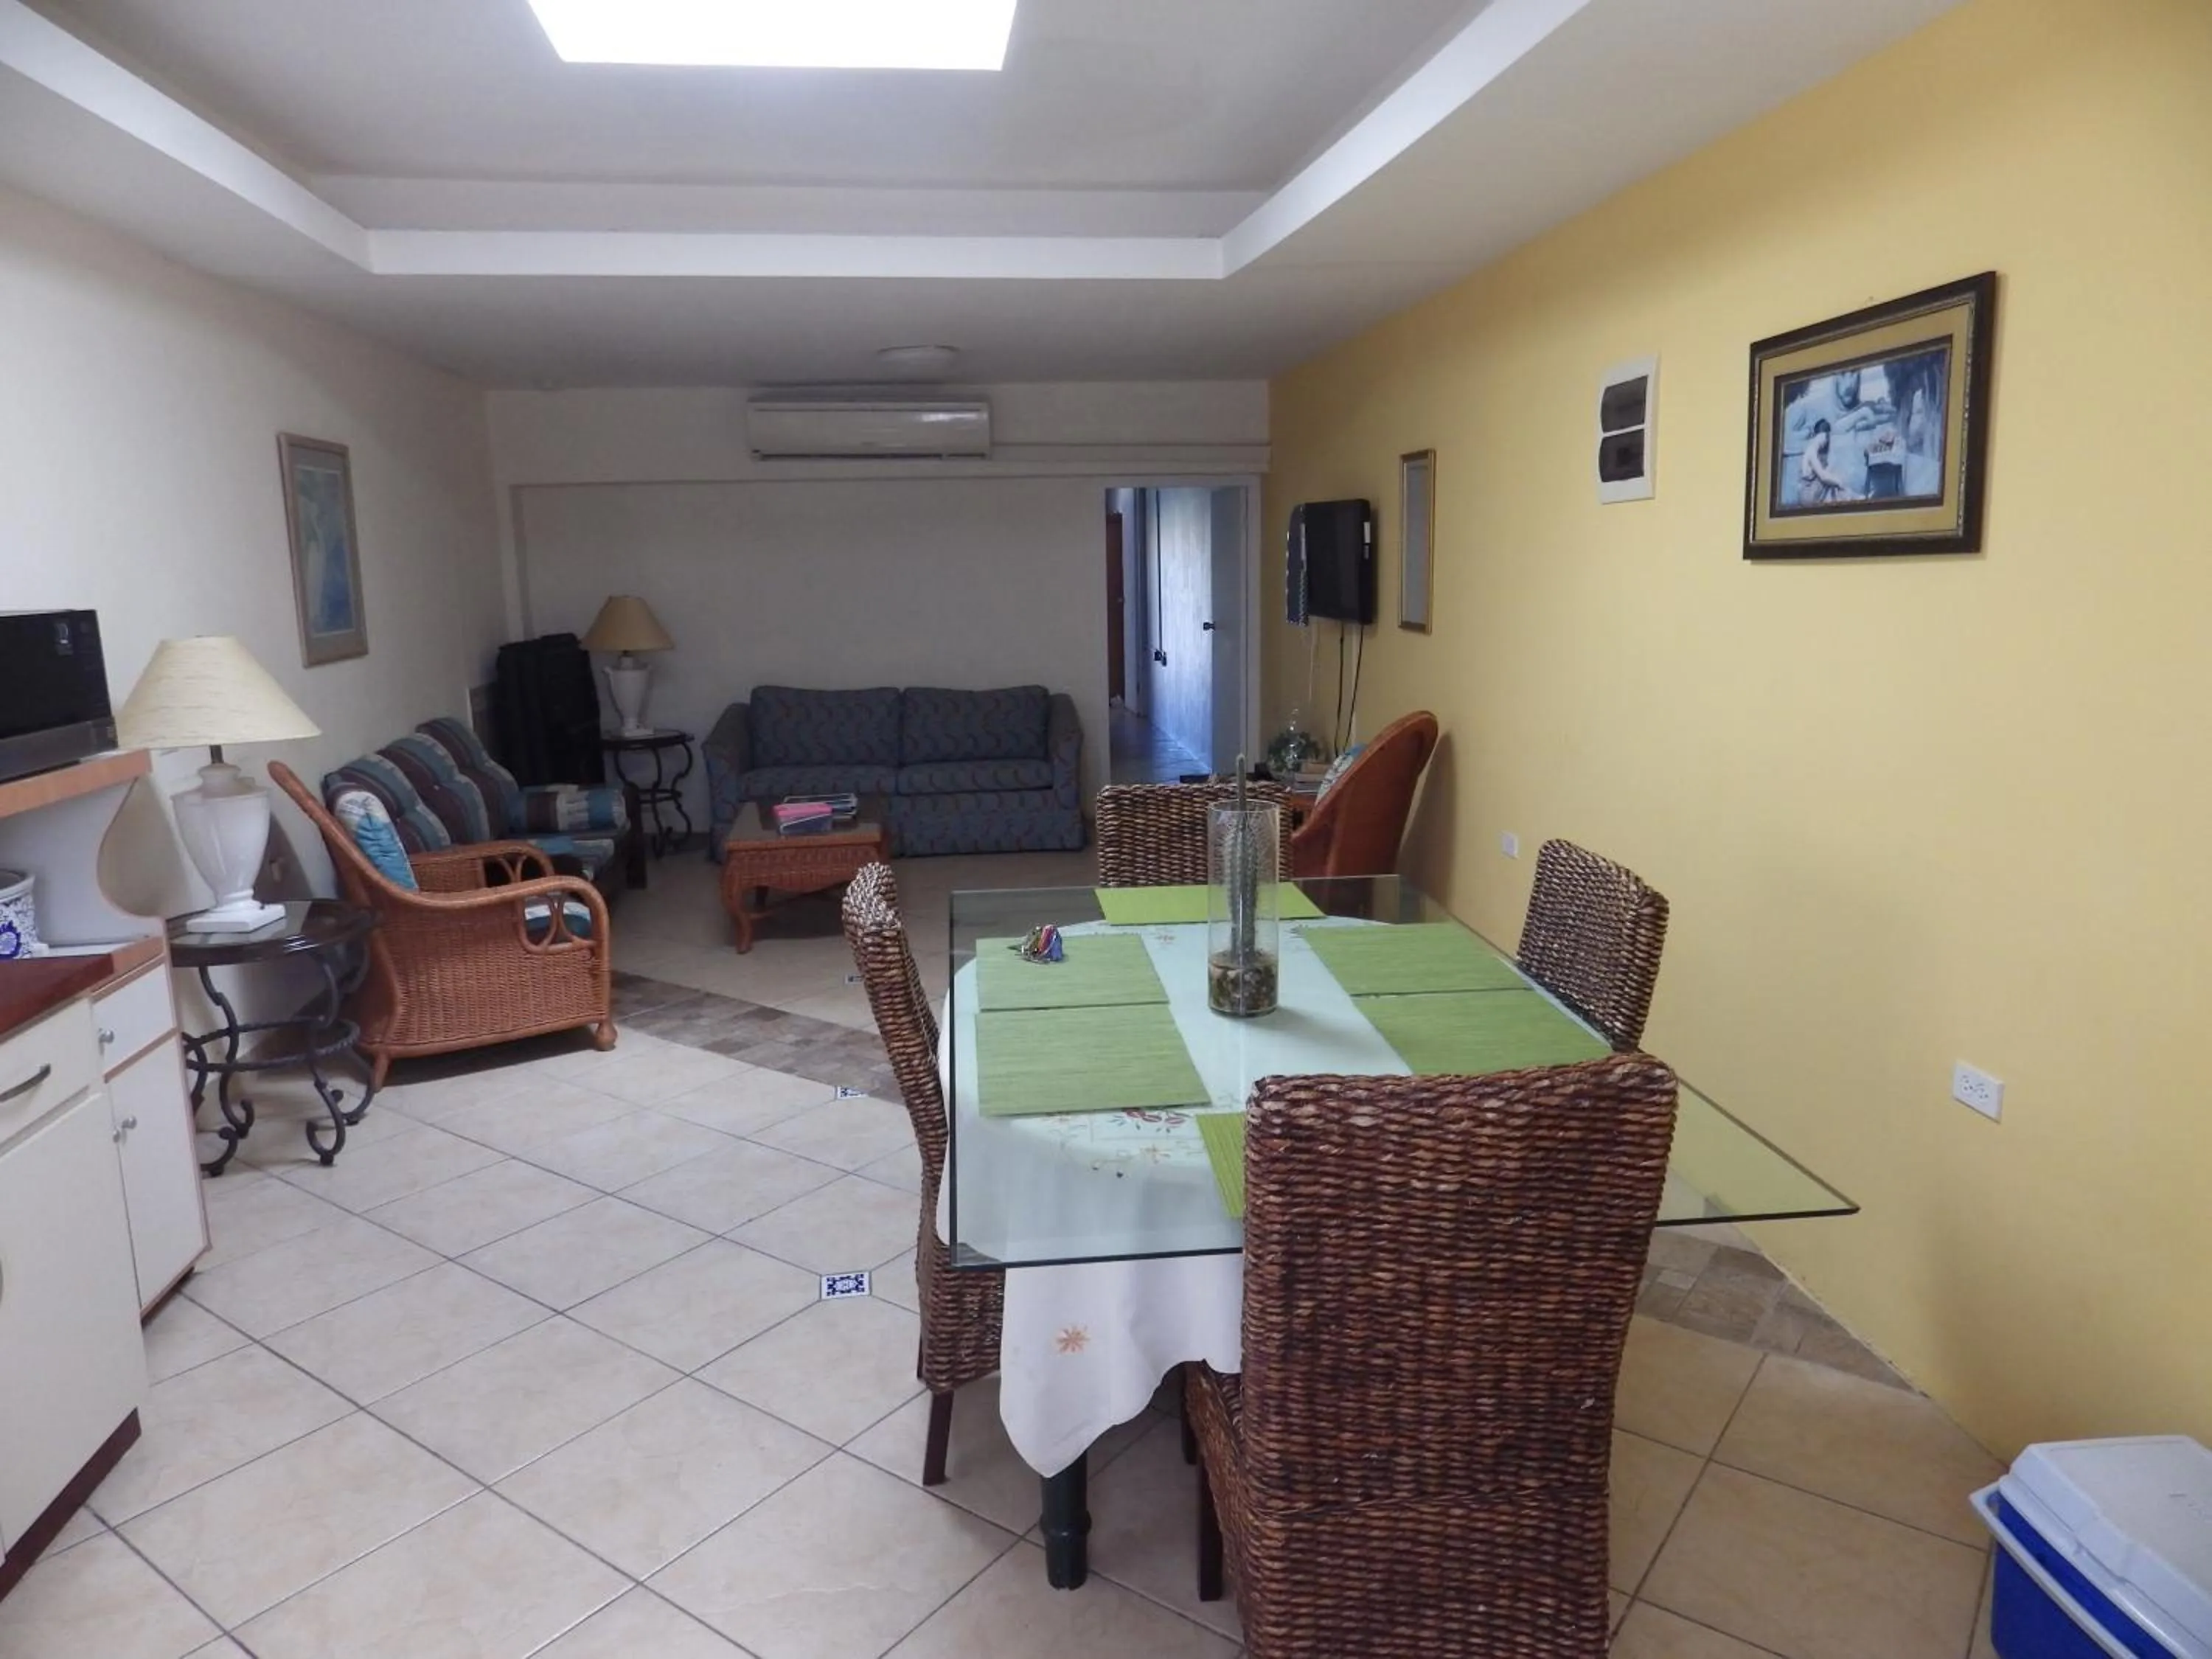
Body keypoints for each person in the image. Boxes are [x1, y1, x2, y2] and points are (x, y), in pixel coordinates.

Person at [1798, 420, 1854, 504]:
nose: (1827, 441)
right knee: (1832, 478)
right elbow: (1823, 477)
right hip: (1808, 497)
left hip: (1810, 493)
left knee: (1832, 476)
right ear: (1822, 435)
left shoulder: (1813, 450)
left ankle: (1845, 498)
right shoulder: (1812, 451)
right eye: (1827, 437)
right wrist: (1839, 483)